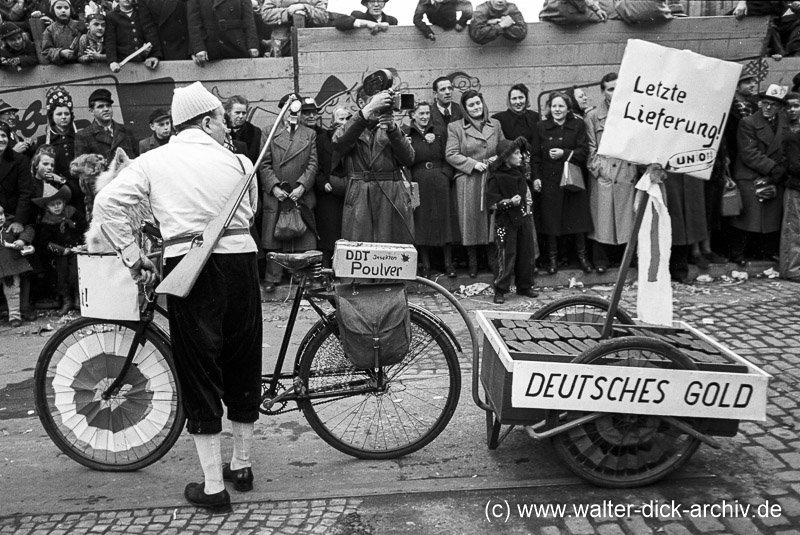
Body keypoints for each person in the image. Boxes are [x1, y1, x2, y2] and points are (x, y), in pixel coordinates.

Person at [92, 81, 262, 512]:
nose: (226, 126)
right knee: (243, 360)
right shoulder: (241, 161)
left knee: (199, 368)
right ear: (206, 120)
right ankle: (241, 466)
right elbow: (252, 211)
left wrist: (133, 255)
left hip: (191, 269)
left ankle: (212, 487)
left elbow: (107, 204)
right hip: (242, 264)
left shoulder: (153, 162)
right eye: (222, 119)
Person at [332, 88, 415, 244]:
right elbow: (338, 143)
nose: (380, 107)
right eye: (378, 101)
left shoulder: (392, 128)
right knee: (360, 247)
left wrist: (393, 130)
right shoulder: (352, 126)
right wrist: (368, 110)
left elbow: (409, 159)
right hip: (360, 194)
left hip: (392, 193)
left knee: (393, 249)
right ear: (362, 103)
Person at [258, 94, 318, 293]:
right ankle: (272, 276)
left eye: (297, 110)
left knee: (300, 235)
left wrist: (302, 186)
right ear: (281, 111)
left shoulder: (309, 134)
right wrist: (273, 187)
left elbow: (312, 163)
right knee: (276, 236)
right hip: (278, 193)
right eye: (288, 109)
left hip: (299, 194)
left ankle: (301, 275)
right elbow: (264, 164)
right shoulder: (268, 132)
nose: (292, 114)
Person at [445, 89, 506, 277]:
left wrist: (497, 158)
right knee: (470, 221)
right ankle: (472, 262)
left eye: (478, 103)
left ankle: (492, 260)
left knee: (491, 220)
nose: (475, 107)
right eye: (471, 105)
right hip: (469, 179)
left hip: (491, 177)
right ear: (465, 108)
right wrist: (473, 164)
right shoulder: (455, 127)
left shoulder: (495, 124)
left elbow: (504, 147)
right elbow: (451, 154)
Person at [531, 91, 592, 275]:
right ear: (549, 108)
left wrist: (564, 154)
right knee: (551, 221)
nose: (557, 110)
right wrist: (536, 177)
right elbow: (535, 156)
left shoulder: (578, 124)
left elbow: (584, 151)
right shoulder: (541, 126)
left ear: (568, 108)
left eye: (561, 106)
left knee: (578, 220)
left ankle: (582, 258)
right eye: (554, 106)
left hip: (572, 178)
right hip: (550, 180)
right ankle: (552, 260)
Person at [729, 84, 790, 266]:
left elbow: (786, 148)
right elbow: (749, 152)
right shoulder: (748, 122)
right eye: (765, 103)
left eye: (773, 104)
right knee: (747, 217)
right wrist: (773, 168)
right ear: (760, 103)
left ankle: (765, 252)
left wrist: (779, 169)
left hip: (773, 175)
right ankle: (737, 253)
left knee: (769, 217)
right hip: (750, 174)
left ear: (779, 107)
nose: (768, 107)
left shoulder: (784, 123)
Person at [584, 72, 636, 274]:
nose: (615, 93)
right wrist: (600, 171)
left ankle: (625, 259)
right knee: (603, 220)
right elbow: (590, 148)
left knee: (626, 219)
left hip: (626, 173)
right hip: (605, 173)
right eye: (610, 89)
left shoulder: (632, 112)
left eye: (618, 87)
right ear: (603, 92)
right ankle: (601, 259)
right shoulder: (593, 116)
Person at [403, 101, 460, 278]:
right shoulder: (407, 134)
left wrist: (446, 175)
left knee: (444, 221)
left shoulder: (439, 132)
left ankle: (448, 264)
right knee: (422, 222)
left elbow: (448, 156)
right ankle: (426, 265)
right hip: (419, 182)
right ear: (413, 115)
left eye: (427, 113)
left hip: (440, 181)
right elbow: (405, 161)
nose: (425, 117)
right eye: (421, 114)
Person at [487, 136, 536, 303]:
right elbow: (492, 203)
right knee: (505, 255)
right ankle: (500, 290)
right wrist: (509, 203)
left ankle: (525, 286)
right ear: (506, 158)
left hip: (523, 218)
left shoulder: (519, 172)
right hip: (504, 223)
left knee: (526, 253)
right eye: (516, 153)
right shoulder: (496, 177)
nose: (520, 156)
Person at [33, 184, 84, 315]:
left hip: (77, 249)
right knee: (61, 277)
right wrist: (61, 250)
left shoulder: (73, 213)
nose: (56, 207)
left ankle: (79, 299)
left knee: (76, 274)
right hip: (59, 254)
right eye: (52, 204)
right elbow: (44, 242)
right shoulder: (46, 222)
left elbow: (85, 227)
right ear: (46, 207)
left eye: (59, 203)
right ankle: (66, 300)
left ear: (64, 202)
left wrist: (84, 244)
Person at [33, 86, 82, 214]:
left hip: (80, 192)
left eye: (66, 114)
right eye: (59, 114)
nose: (63, 117)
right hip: (55, 195)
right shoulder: (42, 141)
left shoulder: (81, 138)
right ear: (51, 117)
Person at [313, 106, 349, 268]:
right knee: (328, 233)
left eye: (347, 118)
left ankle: (343, 268)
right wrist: (322, 182)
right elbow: (316, 165)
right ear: (332, 121)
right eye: (341, 118)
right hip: (328, 193)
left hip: (348, 191)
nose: (344, 122)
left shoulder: (353, 138)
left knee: (346, 232)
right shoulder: (321, 140)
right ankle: (326, 268)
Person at [75, 88, 139, 162]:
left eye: (108, 105)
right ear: (92, 111)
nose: (106, 109)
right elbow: (82, 168)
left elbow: (137, 159)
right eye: (100, 106)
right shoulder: (83, 136)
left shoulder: (126, 130)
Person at [187, 0, 260, 64]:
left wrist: (252, 44)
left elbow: (249, 20)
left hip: (236, 42)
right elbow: (194, 23)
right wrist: (198, 48)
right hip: (210, 46)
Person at [0, 203, 34, 328]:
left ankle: (14, 316)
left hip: (10, 265)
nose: (0, 218)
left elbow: (28, 230)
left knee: (13, 291)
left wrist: (22, 240)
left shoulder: (10, 227)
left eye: (1, 214)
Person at [105, 0, 162, 73]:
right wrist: (112, 61)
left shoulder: (142, 13)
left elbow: (151, 34)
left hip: (144, 62)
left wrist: (154, 55)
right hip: (123, 63)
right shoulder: (111, 16)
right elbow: (110, 40)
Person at [260, 0, 329, 57]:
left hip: (312, 44)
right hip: (281, 45)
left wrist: (305, 8)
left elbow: (324, 16)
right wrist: (288, 11)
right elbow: (266, 14)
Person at [781, 107, 800, 281]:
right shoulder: (794, 139)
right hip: (797, 189)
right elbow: (794, 167)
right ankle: (792, 269)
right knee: (794, 231)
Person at [41, 0, 81, 65]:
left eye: (66, 8)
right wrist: (60, 53)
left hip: (80, 66)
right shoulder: (50, 30)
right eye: (59, 7)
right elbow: (46, 52)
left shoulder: (79, 25)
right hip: (60, 68)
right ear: (53, 10)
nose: (63, 10)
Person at [225, 95, 263, 165]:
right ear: (228, 112)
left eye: (244, 113)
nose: (241, 116)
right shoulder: (221, 131)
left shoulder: (254, 132)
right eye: (237, 113)